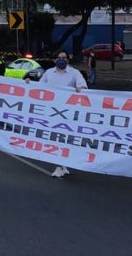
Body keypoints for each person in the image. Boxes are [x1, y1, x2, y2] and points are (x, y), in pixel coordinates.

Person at [36, 50, 86, 178]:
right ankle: (59, 166)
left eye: (64, 57)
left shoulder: (75, 73)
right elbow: (38, 87)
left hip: (68, 112)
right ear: (55, 60)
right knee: (54, 138)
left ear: (67, 60)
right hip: (52, 111)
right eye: (59, 57)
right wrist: (26, 83)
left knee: (65, 139)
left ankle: (62, 164)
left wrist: (80, 89)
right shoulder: (48, 73)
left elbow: (83, 87)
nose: (61, 59)